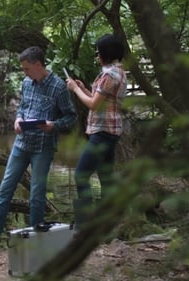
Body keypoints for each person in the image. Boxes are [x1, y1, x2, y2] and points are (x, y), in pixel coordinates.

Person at [0, 46, 77, 244]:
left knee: (37, 194)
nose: (24, 72)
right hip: (21, 144)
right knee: (5, 189)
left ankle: (35, 236)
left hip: (43, 147)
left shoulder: (58, 87)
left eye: (27, 68)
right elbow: (22, 107)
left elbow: (71, 117)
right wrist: (17, 119)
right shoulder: (26, 83)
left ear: (38, 64)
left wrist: (53, 125)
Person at [66, 34, 127, 230]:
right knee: (105, 176)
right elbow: (101, 101)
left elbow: (93, 105)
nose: (96, 55)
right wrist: (84, 88)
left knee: (81, 175)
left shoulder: (109, 75)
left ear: (105, 53)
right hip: (110, 131)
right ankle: (106, 222)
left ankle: (85, 224)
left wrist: (75, 89)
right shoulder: (118, 72)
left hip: (102, 132)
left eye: (98, 51)